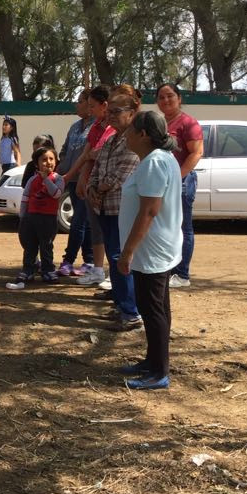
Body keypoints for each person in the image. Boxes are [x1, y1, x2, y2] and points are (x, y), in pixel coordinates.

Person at [117, 111, 184, 390]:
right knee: (157, 307)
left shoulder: (155, 162)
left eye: (130, 130)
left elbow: (149, 211)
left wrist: (128, 251)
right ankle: (153, 361)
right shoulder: (159, 160)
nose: (125, 134)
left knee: (152, 309)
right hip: (157, 247)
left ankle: (158, 372)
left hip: (151, 249)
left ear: (143, 134)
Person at [86, 86, 142, 331]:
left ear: (131, 113)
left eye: (116, 111)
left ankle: (131, 312)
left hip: (121, 208)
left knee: (122, 259)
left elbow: (123, 173)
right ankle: (120, 305)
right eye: (109, 110)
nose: (110, 115)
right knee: (113, 256)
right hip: (105, 208)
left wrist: (99, 189)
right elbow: (98, 167)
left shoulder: (134, 140)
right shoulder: (110, 140)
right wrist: (92, 187)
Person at [156, 83, 203, 289]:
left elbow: (196, 153)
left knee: (183, 227)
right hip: (160, 181)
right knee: (165, 227)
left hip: (181, 182)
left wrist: (178, 176)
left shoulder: (188, 123)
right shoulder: (158, 123)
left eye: (170, 96)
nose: (166, 100)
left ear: (179, 98)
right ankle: (168, 268)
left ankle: (182, 274)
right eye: (161, 97)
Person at [72, 85, 115, 287]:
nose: (90, 110)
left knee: (112, 231)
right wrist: (75, 176)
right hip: (93, 183)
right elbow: (88, 153)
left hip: (111, 187)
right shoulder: (97, 125)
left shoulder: (115, 126)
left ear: (104, 105)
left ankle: (115, 275)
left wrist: (91, 156)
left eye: (92, 106)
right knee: (96, 228)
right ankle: (98, 270)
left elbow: (99, 152)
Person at [6, 146, 64, 289]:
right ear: (37, 164)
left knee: (46, 246)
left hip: (48, 219)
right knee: (30, 246)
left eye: (51, 159)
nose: (48, 162)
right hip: (31, 218)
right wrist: (23, 217)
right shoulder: (32, 180)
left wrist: (46, 180)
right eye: (44, 160)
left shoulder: (58, 179)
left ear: (56, 161)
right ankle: (28, 271)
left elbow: (56, 194)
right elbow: (25, 199)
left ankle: (48, 271)